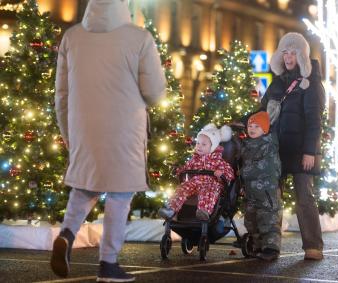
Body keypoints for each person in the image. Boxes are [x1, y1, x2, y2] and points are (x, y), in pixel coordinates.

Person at [51, 0, 166, 282]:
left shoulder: (72, 37)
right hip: (124, 128)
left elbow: (61, 94)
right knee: (120, 194)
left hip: (83, 128)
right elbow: (153, 92)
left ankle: (67, 233)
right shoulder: (139, 38)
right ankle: (108, 263)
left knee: (85, 185)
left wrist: (68, 133)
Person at [262, 32, 325, 260]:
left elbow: (314, 121)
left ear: (302, 55)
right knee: (272, 199)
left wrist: (310, 151)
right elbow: (261, 112)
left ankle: (313, 246)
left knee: (304, 199)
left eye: (293, 52)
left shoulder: (311, 84)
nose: (288, 57)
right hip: (277, 150)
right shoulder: (277, 83)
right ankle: (270, 245)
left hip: (300, 152)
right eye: (284, 52)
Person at [159, 124, 235, 221]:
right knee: (182, 188)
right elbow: (185, 168)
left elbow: (230, 173)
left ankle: (203, 211)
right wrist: (178, 170)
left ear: (213, 147)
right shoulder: (194, 159)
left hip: (211, 183)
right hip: (195, 182)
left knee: (208, 191)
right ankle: (171, 209)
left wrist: (221, 173)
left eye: (203, 144)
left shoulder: (219, 161)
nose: (199, 146)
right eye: (198, 143)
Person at [240, 111, 282, 261]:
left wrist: (243, 173)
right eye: (250, 125)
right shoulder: (247, 145)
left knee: (268, 219)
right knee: (251, 220)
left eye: (256, 126)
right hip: (251, 192)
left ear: (265, 129)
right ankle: (257, 246)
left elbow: (266, 167)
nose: (252, 128)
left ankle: (271, 248)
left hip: (266, 192)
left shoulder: (268, 145)